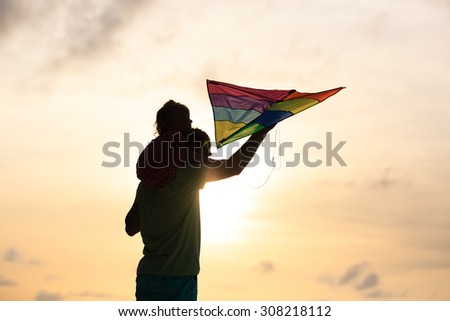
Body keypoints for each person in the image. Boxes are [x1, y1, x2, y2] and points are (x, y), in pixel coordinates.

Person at [125, 99, 272, 301]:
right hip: (178, 277)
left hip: (147, 278)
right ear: (176, 129)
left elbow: (130, 227)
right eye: (187, 121)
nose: (191, 123)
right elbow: (234, 166)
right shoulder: (186, 174)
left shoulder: (147, 182)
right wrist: (261, 131)